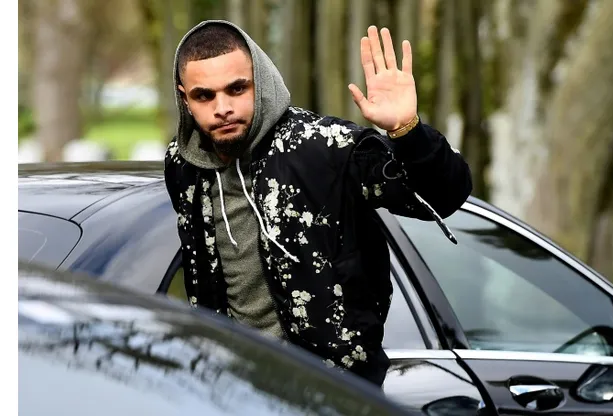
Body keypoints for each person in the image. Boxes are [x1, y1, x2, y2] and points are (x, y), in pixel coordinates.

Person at [164, 19, 472, 387]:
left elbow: (442, 197)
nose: (223, 108)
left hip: (331, 388)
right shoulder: (183, 166)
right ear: (185, 98)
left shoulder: (322, 147)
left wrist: (407, 131)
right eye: (204, 96)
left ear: (259, 81)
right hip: (233, 386)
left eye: (237, 88)